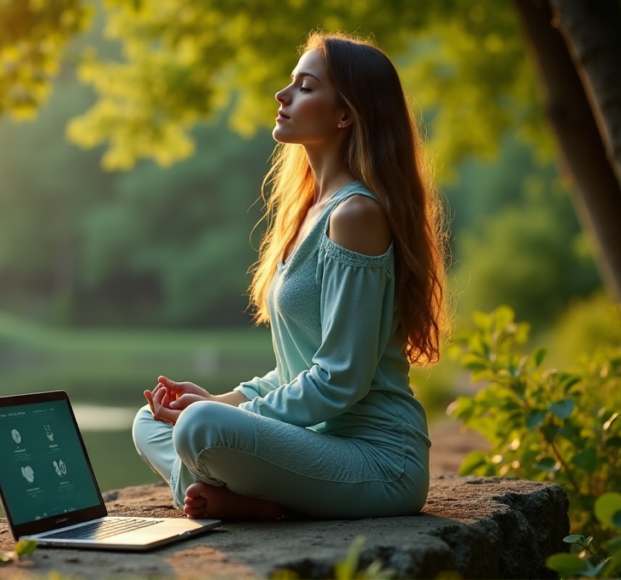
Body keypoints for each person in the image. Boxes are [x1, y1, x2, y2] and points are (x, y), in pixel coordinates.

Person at [131, 32, 448, 521]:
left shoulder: (356, 215)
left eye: (305, 87)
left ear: (345, 115)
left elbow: (338, 380)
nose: (282, 95)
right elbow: (295, 372)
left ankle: (242, 495)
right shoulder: (307, 213)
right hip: (310, 442)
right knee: (150, 420)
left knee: (199, 427)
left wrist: (223, 414)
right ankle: (252, 498)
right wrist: (219, 398)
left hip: (378, 461)